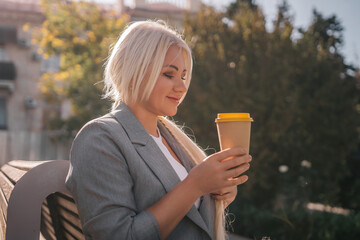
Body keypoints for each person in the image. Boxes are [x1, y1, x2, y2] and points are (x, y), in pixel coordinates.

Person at [65, 20, 252, 240]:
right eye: (169, 74)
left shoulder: (171, 139)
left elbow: (187, 212)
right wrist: (195, 185)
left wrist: (214, 195)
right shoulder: (99, 138)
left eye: (183, 76)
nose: (182, 87)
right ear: (133, 73)